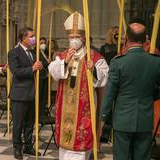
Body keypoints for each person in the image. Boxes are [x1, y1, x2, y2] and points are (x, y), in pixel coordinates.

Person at [48, 12, 109, 160]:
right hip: (65, 105)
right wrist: (65, 63)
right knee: (65, 143)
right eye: (71, 37)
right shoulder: (63, 55)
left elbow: (105, 76)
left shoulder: (94, 57)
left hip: (85, 106)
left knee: (82, 142)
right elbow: (53, 70)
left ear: (83, 38)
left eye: (76, 37)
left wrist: (93, 69)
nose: (73, 40)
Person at [100, 23, 160, 160]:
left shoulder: (118, 62)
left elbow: (110, 93)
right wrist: (149, 96)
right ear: (144, 39)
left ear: (127, 38)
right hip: (145, 119)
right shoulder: (157, 62)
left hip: (122, 120)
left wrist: (103, 117)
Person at [8, 27, 43, 159]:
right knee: (18, 123)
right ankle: (17, 147)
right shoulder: (14, 52)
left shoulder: (34, 53)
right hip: (19, 94)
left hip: (32, 93)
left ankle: (28, 146)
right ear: (23, 38)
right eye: (31, 36)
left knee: (29, 123)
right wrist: (32, 68)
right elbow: (16, 72)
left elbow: (40, 68)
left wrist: (41, 67)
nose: (34, 38)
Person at [38, 37, 50, 119]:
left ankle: (42, 112)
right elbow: (40, 64)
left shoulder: (45, 52)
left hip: (45, 76)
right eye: (41, 43)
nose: (43, 44)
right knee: (40, 95)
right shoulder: (37, 53)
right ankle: (39, 113)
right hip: (40, 77)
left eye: (44, 43)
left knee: (44, 96)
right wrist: (47, 62)